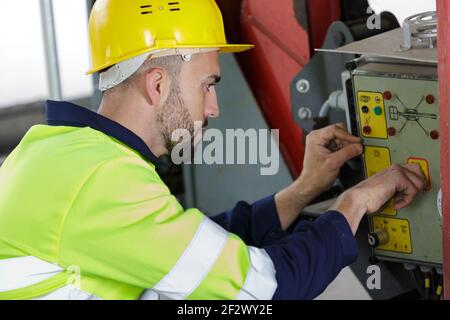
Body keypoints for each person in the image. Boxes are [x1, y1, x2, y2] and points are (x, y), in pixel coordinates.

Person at [0, 0, 425, 300]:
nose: (215, 108)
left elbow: (192, 248)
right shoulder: (101, 181)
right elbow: (266, 290)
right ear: (158, 84)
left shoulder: (62, 155)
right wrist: (353, 203)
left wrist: (302, 191)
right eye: (208, 85)